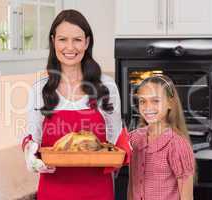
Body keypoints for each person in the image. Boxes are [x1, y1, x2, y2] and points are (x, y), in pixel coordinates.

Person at [21, 9, 130, 200]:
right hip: (53, 191)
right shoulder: (40, 90)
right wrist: (30, 154)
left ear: (87, 42)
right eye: (63, 39)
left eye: (77, 40)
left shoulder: (106, 87)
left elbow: (114, 141)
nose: (70, 47)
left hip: (97, 192)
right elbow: (33, 138)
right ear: (53, 41)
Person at [128, 75, 195, 200]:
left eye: (155, 101)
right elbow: (132, 185)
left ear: (170, 103)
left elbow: (187, 197)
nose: (147, 107)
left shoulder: (176, 145)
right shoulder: (134, 139)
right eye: (143, 101)